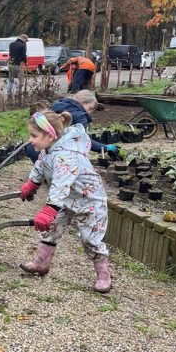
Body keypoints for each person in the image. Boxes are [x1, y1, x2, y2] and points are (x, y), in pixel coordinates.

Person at [19, 110, 112, 293]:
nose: (31, 140)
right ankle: (41, 263)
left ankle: (104, 276)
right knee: (51, 229)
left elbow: (60, 185)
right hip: (66, 200)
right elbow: (41, 166)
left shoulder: (67, 157)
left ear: (50, 135)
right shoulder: (48, 150)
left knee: (90, 239)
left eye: (34, 135)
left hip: (89, 202)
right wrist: (32, 183)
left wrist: (48, 210)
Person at [26, 90, 117, 162]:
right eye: (89, 109)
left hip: (35, 149)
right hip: (59, 155)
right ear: (84, 103)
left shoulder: (56, 105)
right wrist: (104, 147)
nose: (88, 113)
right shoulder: (81, 116)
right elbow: (82, 139)